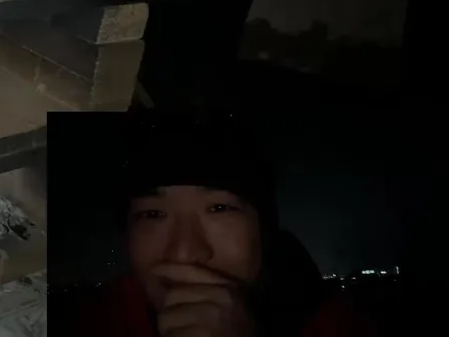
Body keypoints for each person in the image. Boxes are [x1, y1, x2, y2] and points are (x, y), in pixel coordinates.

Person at [76, 113, 378, 337]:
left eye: (219, 208)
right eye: (152, 214)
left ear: (263, 231)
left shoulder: (345, 326)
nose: (184, 254)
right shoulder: (83, 323)